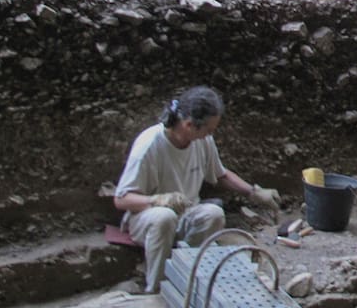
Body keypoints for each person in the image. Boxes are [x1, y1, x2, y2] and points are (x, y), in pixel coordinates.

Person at [114, 86, 281, 294]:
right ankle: (156, 288)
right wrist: (157, 200)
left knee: (213, 213)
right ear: (189, 125)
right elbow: (121, 199)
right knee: (164, 216)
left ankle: (185, 275)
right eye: (208, 130)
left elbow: (220, 175)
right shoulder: (149, 145)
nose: (210, 134)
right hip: (146, 218)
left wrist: (254, 192)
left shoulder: (202, 141)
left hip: (186, 214)